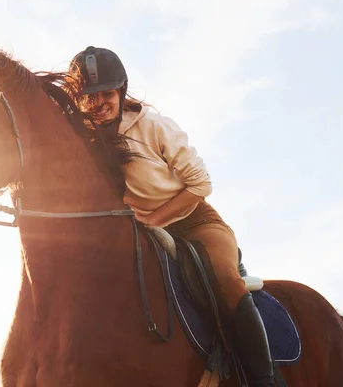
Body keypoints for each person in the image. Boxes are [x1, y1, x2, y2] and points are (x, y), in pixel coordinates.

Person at [68, 46, 275, 387]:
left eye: (107, 93)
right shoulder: (84, 138)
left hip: (194, 221)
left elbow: (201, 183)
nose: (99, 103)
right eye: (90, 97)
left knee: (226, 281)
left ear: (121, 91)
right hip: (137, 232)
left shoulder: (153, 125)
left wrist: (155, 219)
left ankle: (262, 380)